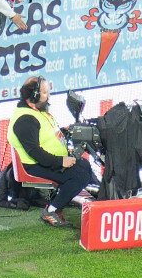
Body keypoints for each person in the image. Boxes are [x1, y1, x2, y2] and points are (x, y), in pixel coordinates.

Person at [8, 75, 93, 225]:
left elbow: (48, 134)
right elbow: (35, 152)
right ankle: (52, 209)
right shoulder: (25, 119)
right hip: (36, 165)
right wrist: (61, 161)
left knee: (84, 165)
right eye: (45, 93)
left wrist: (66, 132)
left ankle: (66, 197)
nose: (48, 96)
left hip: (48, 160)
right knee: (80, 175)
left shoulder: (37, 112)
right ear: (34, 95)